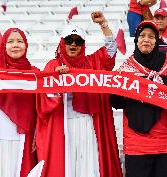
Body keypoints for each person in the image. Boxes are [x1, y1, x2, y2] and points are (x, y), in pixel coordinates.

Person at [35, 11, 122, 177]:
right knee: (66, 167)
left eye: (78, 41)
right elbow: (44, 100)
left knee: (88, 166)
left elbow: (111, 51)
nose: (73, 45)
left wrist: (103, 24)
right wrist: (56, 80)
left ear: (83, 44)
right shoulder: (53, 65)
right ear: (62, 43)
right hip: (62, 125)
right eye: (69, 41)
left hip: (88, 123)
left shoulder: (91, 62)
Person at [110, 21, 167, 177]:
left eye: (151, 36)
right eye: (142, 36)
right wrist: (115, 87)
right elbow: (116, 103)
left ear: (157, 40)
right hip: (137, 144)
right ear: (136, 40)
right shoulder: (126, 69)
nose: (146, 40)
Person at [0, 28, 37, 177]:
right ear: (3, 45)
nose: (15, 45)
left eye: (19, 41)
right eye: (10, 41)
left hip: (24, 138)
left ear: (26, 45)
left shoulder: (35, 73)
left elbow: (44, 105)